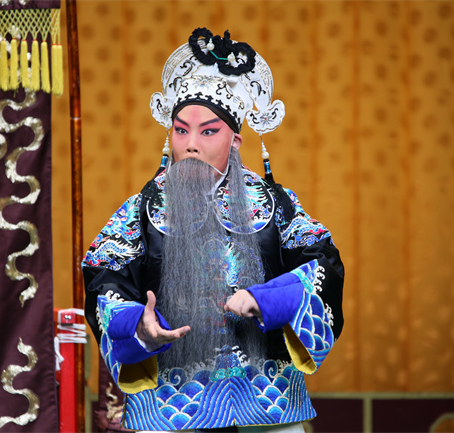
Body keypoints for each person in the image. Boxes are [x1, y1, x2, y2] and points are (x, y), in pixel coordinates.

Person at [82, 28, 344, 432]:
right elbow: (104, 276)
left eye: (208, 131)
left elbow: (323, 263)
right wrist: (137, 325)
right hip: (171, 407)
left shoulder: (275, 204)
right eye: (181, 130)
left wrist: (266, 299)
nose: (190, 144)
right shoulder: (141, 210)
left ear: (235, 140)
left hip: (267, 401)